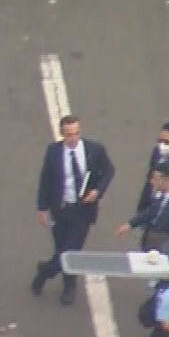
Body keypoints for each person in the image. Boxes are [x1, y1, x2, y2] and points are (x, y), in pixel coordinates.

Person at [33, 115, 114, 305]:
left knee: (72, 251)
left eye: (76, 133)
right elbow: (46, 180)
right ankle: (48, 270)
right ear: (62, 134)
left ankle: (59, 280)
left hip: (82, 210)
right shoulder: (53, 152)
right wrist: (42, 208)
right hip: (60, 209)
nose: (73, 138)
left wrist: (97, 191)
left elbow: (109, 170)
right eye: (69, 135)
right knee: (62, 249)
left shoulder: (94, 150)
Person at [118, 162, 169, 248]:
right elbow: (152, 211)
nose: (152, 182)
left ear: (167, 180)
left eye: (155, 179)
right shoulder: (165, 195)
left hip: (163, 253)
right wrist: (130, 224)